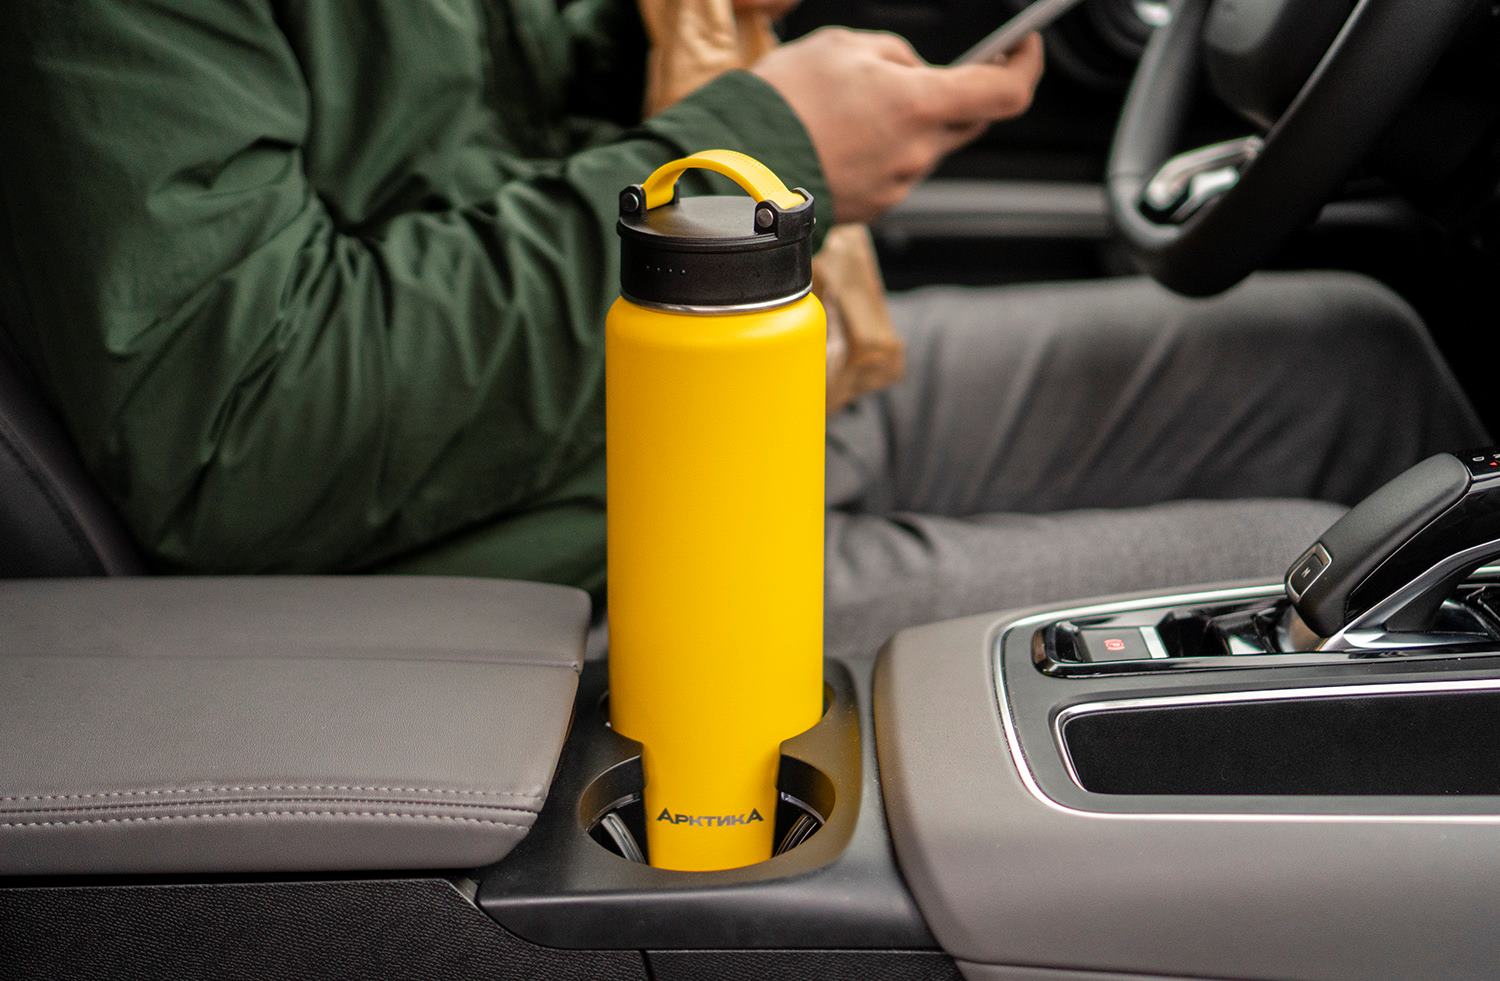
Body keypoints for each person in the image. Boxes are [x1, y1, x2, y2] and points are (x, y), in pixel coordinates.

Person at [0, 2, 1485, 658]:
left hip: (679, 412)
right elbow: (248, 426)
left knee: (1349, 357)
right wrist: (763, 147)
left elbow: (446, 119)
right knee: (1375, 584)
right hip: (554, 566)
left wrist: (646, 33)